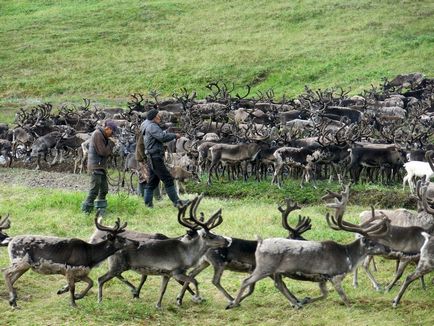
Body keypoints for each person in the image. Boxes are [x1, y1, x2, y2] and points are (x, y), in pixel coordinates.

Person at [140, 109, 188, 208]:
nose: (159, 117)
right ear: (154, 117)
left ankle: (148, 205)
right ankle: (177, 203)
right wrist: (175, 135)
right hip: (155, 157)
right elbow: (162, 137)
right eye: (158, 116)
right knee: (168, 179)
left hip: (151, 157)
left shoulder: (145, 124)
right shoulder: (152, 126)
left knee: (152, 182)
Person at [81, 120, 117, 215]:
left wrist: (109, 143)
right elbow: (103, 152)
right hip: (95, 166)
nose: (112, 134)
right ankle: (86, 211)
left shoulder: (103, 135)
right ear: (107, 128)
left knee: (104, 189)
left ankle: (101, 210)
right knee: (94, 190)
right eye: (112, 132)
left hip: (100, 166)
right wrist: (111, 143)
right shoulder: (97, 134)